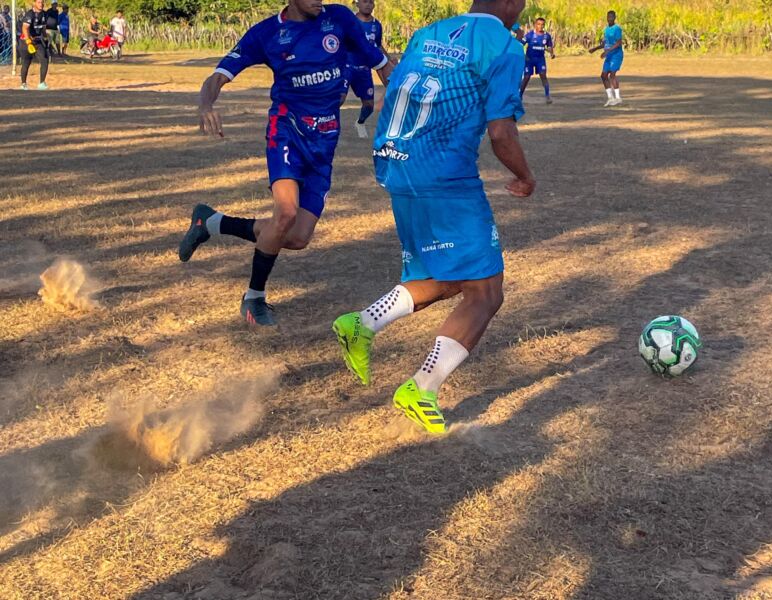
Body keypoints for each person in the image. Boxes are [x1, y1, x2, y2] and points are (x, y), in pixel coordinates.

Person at [332, 0, 535, 434]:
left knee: (447, 275)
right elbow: (501, 132)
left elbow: (391, 93)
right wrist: (525, 176)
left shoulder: (431, 32)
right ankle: (422, 387)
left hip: (397, 163)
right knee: (485, 292)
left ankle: (361, 324)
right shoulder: (504, 47)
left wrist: (392, 154)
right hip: (444, 176)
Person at [177, 0, 394, 326]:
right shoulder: (267, 34)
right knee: (286, 213)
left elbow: (382, 65)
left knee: (296, 237)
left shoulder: (339, 19)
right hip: (287, 133)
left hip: (325, 143)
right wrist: (205, 104)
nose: (319, 1)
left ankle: (209, 223)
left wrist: (413, 92)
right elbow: (218, 77)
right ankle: (254, 299)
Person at [343, 0, 392, 138]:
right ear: (357, 4)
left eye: (371, 2)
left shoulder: (376, 25)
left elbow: (377, 46)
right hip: (346, 66)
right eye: (364, 2)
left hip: (364, 69)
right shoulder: (349, 21)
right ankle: (328, 126)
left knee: (369, 105)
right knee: (339, 98)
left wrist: (388, 59)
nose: (368, 5)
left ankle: (360, 122)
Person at [589, 10, 623, 106]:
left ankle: (618, 98)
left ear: (614, 18)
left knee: (612, 75)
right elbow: (605, 43)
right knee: (603, 75)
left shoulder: (617, 29)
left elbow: (618, 43)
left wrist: (608, 51)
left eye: (612, 17)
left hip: (616, 54)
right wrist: (595, 49)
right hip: (608, 54)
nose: (610, 19)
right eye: (608, 17)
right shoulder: (606, 29)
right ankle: (610, 98)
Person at [520, 17, 555, 103]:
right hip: (529, 60)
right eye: (538, 24)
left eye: (542, 24)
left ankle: (547, 96)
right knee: (526, 77)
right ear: (535, 25)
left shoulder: (547, 36)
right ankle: (519, 96)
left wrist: (551, 53)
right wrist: (523, 55)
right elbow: (520, 44)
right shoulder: (529, 35)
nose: (540, 26)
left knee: (543, 75)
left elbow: (549, 47)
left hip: (540, 59)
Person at [19, 0, 50, 90]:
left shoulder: (44, 14)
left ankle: (41, 83)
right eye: (39, 2)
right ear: (35, 3)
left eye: (42, 2)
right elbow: (25, 28)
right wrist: (28, 41)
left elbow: (43, 28)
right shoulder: (30, 14)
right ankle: (23, 84)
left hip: (37, 40)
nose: (41, 4)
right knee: (26, 62)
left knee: (44, 60)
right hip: (25, 41)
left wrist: (45, 38)